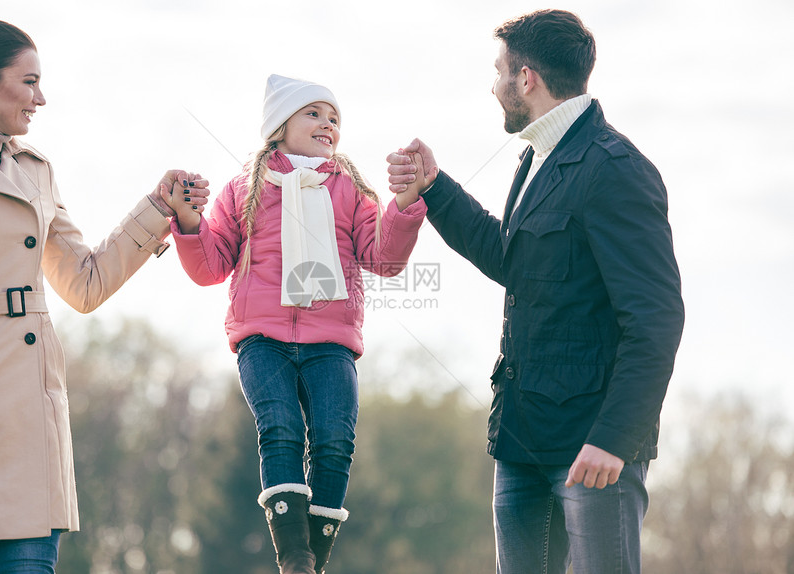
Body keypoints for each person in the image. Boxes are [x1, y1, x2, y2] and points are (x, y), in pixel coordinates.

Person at [387, 9, 685, 574]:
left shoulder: (616, 168)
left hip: (593, 450)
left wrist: (615, 439)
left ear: (526, 78)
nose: (493, 85)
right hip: (522, 437)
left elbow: (657, 320)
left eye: (498, 71)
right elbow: (512, 260)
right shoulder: (537, 157)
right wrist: (435, 188)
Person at [0, 19, 208, 573]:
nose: (41, 98)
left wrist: (157, 206)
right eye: (29, 81)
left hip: (29, 417)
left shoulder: (36, 173)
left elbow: (83, 284)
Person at [167, 74, 426, 574]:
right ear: (279, 125)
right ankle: (293, 556)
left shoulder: (348, 188)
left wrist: (406, 204)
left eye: (335, 118)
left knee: (334, 438)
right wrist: (190, 222)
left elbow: (384, 257)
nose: (327, 124)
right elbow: (210, 265)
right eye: (314, 113)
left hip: (332, 341)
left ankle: (313, 560)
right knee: (280, 428)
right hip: (261, 338)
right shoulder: (246, 188)